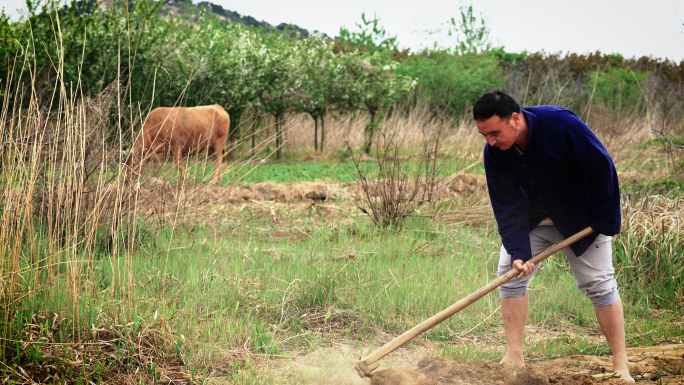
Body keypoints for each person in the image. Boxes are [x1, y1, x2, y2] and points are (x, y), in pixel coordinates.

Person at [472, 90, 633, 382]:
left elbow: (601, 165)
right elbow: (506, 205)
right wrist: (519, 253)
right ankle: (514, 359)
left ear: (515, 119)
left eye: (494, 133)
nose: (491, 141)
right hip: (533, 219)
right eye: (484, 135)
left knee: (599, 284)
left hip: (581, 218)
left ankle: (621, 364)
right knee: (509, 275)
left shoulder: (561, 125)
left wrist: (605, 217)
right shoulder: (494, 153)